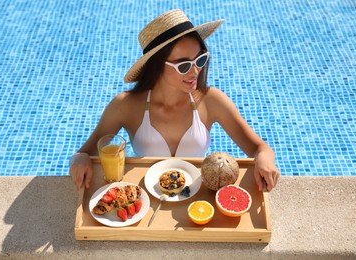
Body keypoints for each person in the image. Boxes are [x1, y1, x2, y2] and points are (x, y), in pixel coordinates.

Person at [69, 9, 280, 192]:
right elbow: (84, 153)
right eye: (183, 65)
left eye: (200, 59)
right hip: (145, 205)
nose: (195, 71)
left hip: (198, 202)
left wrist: (265, 159)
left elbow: (260, 149)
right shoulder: (125, 106)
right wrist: (80, 159)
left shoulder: (211, 100)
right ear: (157, 65)